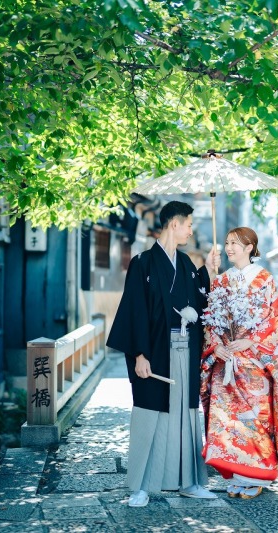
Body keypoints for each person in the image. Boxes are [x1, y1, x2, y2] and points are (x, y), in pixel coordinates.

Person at [106, 200, 221, 508]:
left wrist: (208, 270)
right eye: (188, 224)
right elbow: (135, 311)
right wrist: (140, 355)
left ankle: (189, 482)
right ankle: (141, 487)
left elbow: (200, 300)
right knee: (149, 415)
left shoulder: (184, 264)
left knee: (185, 415)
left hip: (185, 350)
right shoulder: (142, 263)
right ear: (174, 224)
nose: (190, 230)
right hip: (155, 352)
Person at [200, 227, 278, 500]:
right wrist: (219, 346)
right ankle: (238, 475)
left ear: (250, 247)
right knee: (228, 421)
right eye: (226, 243)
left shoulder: (264, 280)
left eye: (235, 243)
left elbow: (275, 319)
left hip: (253, 362)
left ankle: (256, 475)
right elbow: (210, 321)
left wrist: (250, 342)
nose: (229, 248)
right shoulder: (220, 281)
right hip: (226, 360)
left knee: (253, 420)